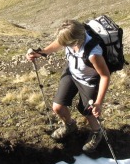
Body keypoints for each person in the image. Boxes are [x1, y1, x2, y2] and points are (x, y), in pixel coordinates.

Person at [27, 19, 112, 153]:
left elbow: (105, 76)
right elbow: (59, 43)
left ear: (75, 41)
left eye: (66, 44)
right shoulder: (70, 39)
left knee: (87, 111)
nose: (63, 45)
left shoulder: (93, 53)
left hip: (88, 81)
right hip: (72, 73)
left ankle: (97, 132)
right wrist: (41, 53)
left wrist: (98, 103)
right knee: (58, 107)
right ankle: (69, 125)